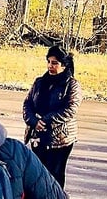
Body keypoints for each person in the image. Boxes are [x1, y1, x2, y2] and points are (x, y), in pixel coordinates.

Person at [22, 46, 81, 188]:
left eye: (55, 63)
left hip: (61, 139)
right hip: (38, 135)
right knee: (36, 175)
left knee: (55, 176)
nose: (50, 66)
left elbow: (70, 109)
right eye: (49, 62)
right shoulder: (40, 82)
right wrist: (34, 121)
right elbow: (27, 104)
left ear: (64, 65)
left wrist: (46, 120)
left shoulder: (71, 84)